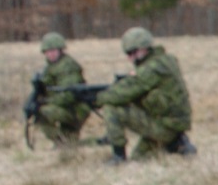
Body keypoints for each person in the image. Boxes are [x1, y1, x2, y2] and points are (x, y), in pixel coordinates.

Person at [99, 27, 194, 163]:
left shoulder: (151, 69)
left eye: (133, 52)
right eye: (128, 53)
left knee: (111, 107)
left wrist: (97, 98)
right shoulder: (166, 60)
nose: (130, 58)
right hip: (171, 124)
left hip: (166, 127)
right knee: (139, 159)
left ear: (144, 48)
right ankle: (177, 145)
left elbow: (119, 95)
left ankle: (118, 157)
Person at [30, 32, 93, 146]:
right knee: (70, 144)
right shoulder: (50, 67)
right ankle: (63, 144)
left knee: (42, 112)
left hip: (75, 109)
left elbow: (69, 95)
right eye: (48, 51)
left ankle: (62, 143)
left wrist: (45, 102)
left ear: (60, 50)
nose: (51, 54)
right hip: (67, 108)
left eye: (54, 51)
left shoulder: (68, 66)